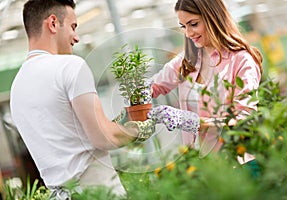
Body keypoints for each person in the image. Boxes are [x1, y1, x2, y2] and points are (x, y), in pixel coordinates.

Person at [10, 0, 155, 198]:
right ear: (53, 23)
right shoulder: (70, 66)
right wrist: (140, 128)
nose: (76, 38)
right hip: (98, 191)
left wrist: (113, 123)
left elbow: (68, 138)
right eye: (73, 27)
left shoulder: (17, 86)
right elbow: (104, 138)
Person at [148, 0, 263, 159]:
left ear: (213, 18)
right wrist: (139, 92)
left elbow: (244, 120)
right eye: (183, 26)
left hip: (236, 162)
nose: (188, 33)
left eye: (193, 24)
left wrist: (191, 121)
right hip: (201, 164)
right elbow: (154, 86)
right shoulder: (187, 62)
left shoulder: (242, 61)